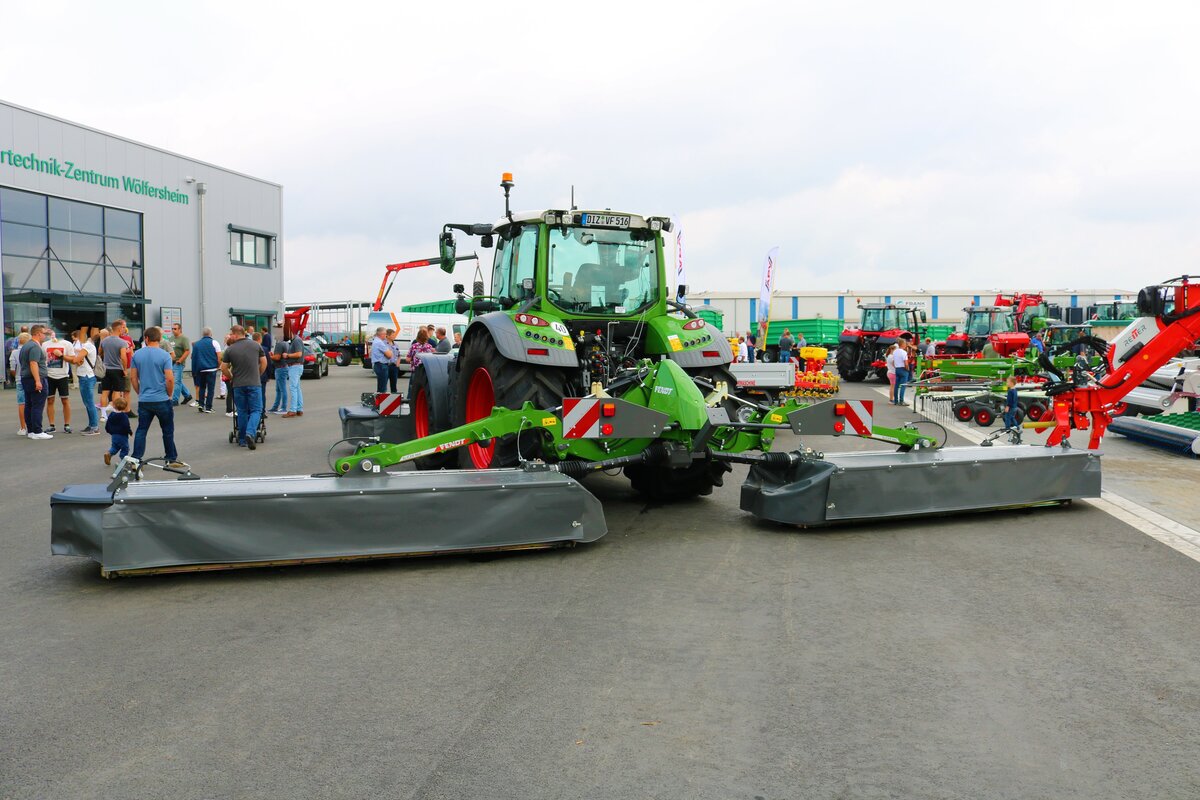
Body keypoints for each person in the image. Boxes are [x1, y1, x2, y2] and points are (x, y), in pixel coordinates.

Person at [129, 326, 181, 466]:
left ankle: (136, 459)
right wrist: (169, 394)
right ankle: (171, 458)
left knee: (142, 430)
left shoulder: (137, 355)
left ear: (146, 338)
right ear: (159, 339)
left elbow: (133, 378)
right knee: (167, 430)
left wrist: (140, 392)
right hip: (162, 398)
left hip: (145, 399)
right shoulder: (165, 355)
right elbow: (169, 379)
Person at [222, 325, 267, 450]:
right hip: (254, 383)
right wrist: (258, 374)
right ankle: (250, 433)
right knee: (256, 410)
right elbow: (264, 362)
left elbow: (223, 368)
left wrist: (231, 377)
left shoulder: (230, 350)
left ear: (236, 334)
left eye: (231, 334)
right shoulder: (256, 345)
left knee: (242, 411)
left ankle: (242, 439)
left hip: (238, 385)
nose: (230, 336)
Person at [19, 324, 52, 439]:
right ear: (38, 334)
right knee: (37, 405)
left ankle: (31, 431)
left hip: (26, 378)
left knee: (29, 405)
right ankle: (37, 431)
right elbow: (33, 363)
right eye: (44, 333)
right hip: (35, 379)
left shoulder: (26, 345)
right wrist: (38, 381)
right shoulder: (34, 346)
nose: (45, 336)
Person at [42, 329, 76, 434]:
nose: (53, 335)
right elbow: (42, 360)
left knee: (65, 400)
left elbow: (73, 359)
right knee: (50, 400)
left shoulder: (67, 344)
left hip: (63, 376)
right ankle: (51, 425)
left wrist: (61, 355)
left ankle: (67, 425)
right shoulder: (45, 344)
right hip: (49, 376)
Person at [98, 320, 131, 421]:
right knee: (116, 391)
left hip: (106, 369)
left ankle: (103, 415)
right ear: (119, 329)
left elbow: (100, 352)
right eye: (123, 328)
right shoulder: (122, 342)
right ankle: (115, 413)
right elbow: (123, 357)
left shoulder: (104, 341)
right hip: (117, 369)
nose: (124, 330)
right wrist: (124, 369)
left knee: (105, 392)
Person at [74, 328, 101, 435]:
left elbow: (76, 359)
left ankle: (94, 427)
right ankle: (91, 425)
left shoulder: (87, 346)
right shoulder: (88, 346)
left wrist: (63, 356)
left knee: (89, 402)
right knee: (87, 402)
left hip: (86, 376)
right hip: (86, 375)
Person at [191, 327, 220, 413]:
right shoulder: (214, 342)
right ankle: (208, 407)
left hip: (201, 369)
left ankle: (201, 404)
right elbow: (219, 356)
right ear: (211, 334)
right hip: (211, 369)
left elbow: (194, 358)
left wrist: (194, 371)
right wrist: (218, 366)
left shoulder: (196, 344)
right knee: (210, 389)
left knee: (202, 387)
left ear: (202, 334)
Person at [169, 323, 194, 406]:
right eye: (172, 329)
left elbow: (187, 351)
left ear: (180, 329)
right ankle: (187, 395)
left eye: (175, 329)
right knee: (177, 380)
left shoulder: (184, 339)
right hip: (171, 362)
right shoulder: (171, 338)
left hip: (178, 363)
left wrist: (180, 360)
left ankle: (175, 400)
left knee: (176, 381)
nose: (173, 330)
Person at [283, 325, 305, 418]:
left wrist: (287, 355)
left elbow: (299, 354)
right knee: (297, 388)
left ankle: (293, 410)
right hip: (297, 366)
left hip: (295, 366)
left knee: (293, 388)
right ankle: (299, 409)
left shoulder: (296, 340)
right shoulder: (295, 340)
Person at [103, 396, 132, 465]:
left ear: (114, 405)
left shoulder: (111, 414)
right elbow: (126, 425)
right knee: (125, 448)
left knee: (115, 446)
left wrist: (109, 431)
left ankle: (109, 453)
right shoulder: (124, 416)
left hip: (114, 435)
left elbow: (108, 424)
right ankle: (123, 459)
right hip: (122, 435)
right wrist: (129, 431)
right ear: (125, 407)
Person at [269, 325, 291, 414]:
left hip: (280, 368)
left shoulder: (279, 344)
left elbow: (277, 357)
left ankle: (283, 407)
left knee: (281, 389)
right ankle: (275, 407)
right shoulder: (286, 343)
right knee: (279, 389)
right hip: (284, 367)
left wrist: (271, 356)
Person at [10, 332, 29, 435]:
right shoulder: (30, 350)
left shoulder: (14, 352)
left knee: (21, 403)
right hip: (30, 379)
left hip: (19, 379)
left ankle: (23, 428)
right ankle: (32, 426)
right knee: (32, 403)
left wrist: (17, 375)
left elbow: (12, 369)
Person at [370, 327, 394, 394]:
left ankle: (379, 398)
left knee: (381, 386)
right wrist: (390, 352)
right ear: (382, 334)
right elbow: (389, 355)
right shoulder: (379, 343)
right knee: (382, 388)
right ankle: (381, 399)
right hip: (381, 365)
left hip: (378, 365)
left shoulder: (376, 341)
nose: (386, 336)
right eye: (385, 334)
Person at [256, 332, 274, 414]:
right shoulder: (264, 349)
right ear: (260, 339)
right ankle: (262, 411)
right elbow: (268, 363)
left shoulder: (248, 348)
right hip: (262, 375)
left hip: (251, 375)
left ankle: (255, 410)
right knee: (262, 393)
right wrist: (269, 375)